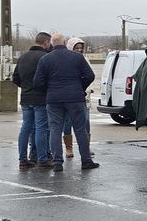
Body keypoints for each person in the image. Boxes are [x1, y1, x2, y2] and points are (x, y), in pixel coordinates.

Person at [33, 35, 98, 172]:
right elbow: (90, 75)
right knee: (80, 129)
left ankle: (57, 162)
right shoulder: (77, 57)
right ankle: (86, 160)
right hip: (75, 97)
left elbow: (37, 82)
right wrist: (80, 87)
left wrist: (49, 90)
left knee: (55, 130)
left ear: (52, 43)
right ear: (64, 42)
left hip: (54, 99)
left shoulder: (45, 59)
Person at [12, 31, 53, 169]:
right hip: (40, 98)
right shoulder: (45, 57)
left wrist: (25, 87)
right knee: (42, 128)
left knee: (26, 128)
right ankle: (42, 158)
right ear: (46, 42)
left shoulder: (23, 57)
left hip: (25, 97)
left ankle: (23, 159)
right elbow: (49, 79)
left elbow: (15, 78)